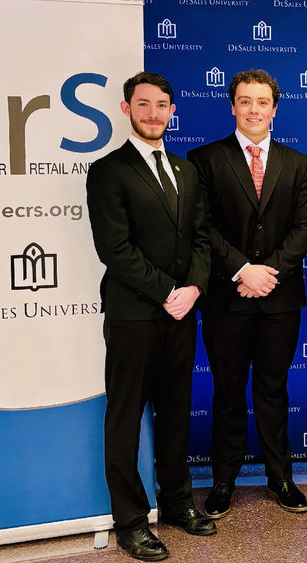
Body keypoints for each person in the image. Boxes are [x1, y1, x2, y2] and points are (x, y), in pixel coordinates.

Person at [86, 71, 213, 561]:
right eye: (143, 105)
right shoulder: (108, 171)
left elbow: (202, 237)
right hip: (134, 314)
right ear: (126, 109)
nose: (153, 114)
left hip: (182, 314)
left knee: (176, 413)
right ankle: (132, 521)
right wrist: (169, 292)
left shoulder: (185, 170)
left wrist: (196, 288)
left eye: (162, 105)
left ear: (172, 110)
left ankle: (178, 503)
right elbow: (114, 249)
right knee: (124, 419)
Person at [187, 69, 307, 518]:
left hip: (279, 300)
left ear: (275, 108)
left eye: (262, 102)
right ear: (232, 107)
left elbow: (306, 228)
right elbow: (200, 226)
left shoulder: (298, 164)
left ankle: (280, 478)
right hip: (227, 298)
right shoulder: (204, 160)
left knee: (273, 390)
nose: (254, 109)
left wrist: (268, 273)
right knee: (227, 392)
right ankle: (223, 482)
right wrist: (243, 269)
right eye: (245, 101)